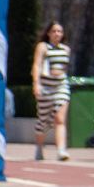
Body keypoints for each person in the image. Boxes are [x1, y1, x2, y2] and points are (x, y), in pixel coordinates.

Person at [31, 21, 72, 162]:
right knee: (43, 120)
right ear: (48, 33)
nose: (57, 34)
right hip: (46, 87)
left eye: (59, 31)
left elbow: (64, 68)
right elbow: (37, 65)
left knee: (60, 119)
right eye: (54, 31)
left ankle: (61, 150)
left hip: (61, 86)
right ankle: (39, 147)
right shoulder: (43, 47)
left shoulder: (66, 49)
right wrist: (36, 84)